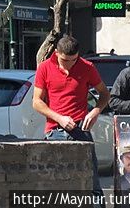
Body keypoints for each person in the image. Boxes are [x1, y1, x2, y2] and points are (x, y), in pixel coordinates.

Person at [32, 35, 110, 207]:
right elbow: (37, 102)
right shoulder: (45, 68)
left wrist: (95, 111)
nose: (69, 64)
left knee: (92, 183)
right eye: (65, 60)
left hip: (80, 129)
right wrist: (59, 118)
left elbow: (104, 94)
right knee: (57, 184)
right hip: (55, 131)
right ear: (56, 53)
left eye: (73, 60)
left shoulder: (87, 67)